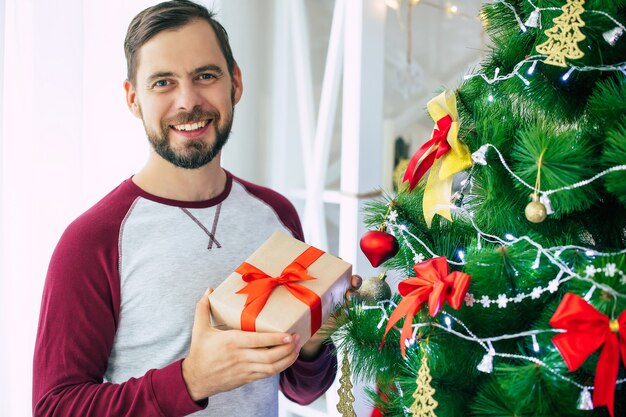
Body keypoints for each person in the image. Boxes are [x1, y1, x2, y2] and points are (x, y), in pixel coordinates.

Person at [32, 1, 361, 416]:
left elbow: (301, 390)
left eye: (205, 76)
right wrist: (191, 380)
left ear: (235, 83)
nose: (188, 101)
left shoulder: (276, 215)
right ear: (133, 99)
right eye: (163, 83)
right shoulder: (91, 241)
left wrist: (314, 340)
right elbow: (54, 408)